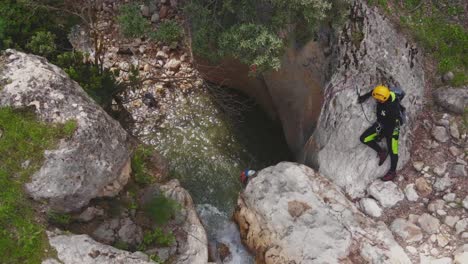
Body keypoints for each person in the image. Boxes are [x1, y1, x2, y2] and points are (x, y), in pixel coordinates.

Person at [358, 85, 402, 181]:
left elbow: (390, 126)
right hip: (382, 123)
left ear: (384, 99)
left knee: (393, 151)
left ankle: (392, 172)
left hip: (392, 128)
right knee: (364, 139)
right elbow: (375, 92)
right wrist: (364, 97)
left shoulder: (392, 108)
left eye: (378, 100)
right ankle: (381, 151)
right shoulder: (385, 93)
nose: (376, 101)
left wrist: (380, 136)